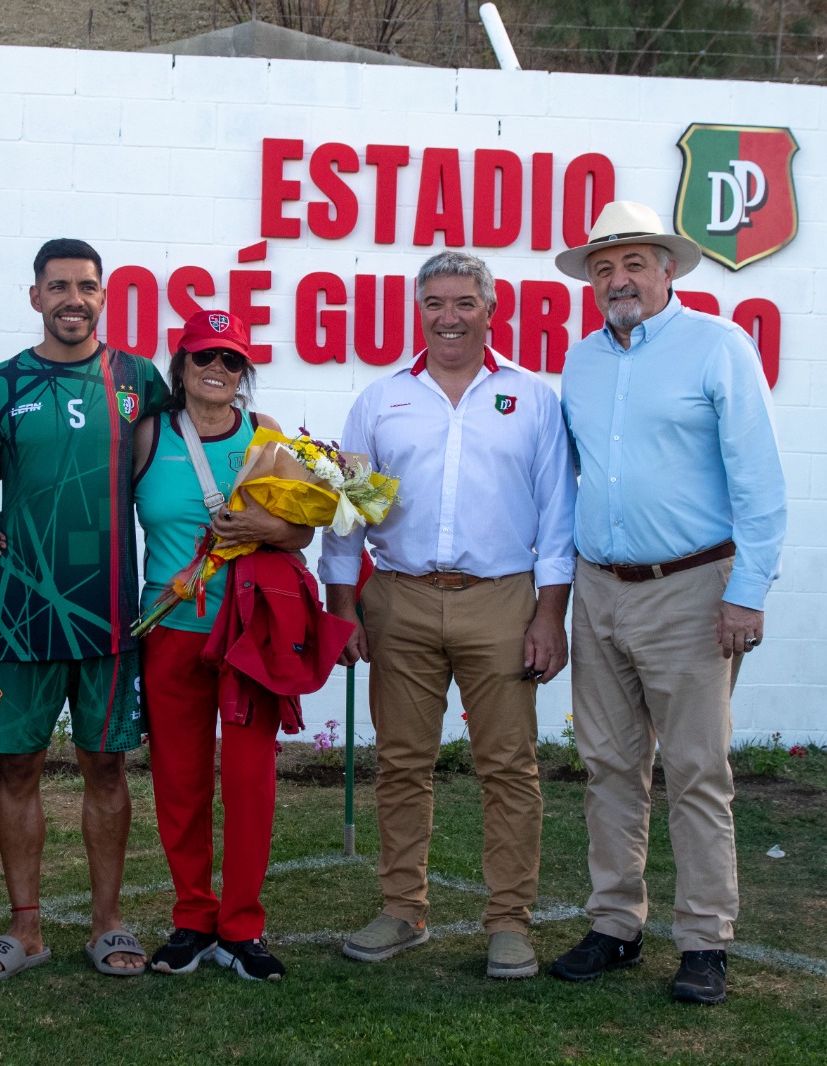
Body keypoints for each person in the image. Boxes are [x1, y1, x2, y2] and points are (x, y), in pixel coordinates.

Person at [550, 200, 786, 1006]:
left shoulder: (719, 346)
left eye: (633, 264)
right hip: (599, 588)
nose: (618, 280)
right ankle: (615, 925)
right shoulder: (580, 362)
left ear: (668, 270)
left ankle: (704, 940)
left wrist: (747, 592)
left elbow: (760, 480)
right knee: (608, 765)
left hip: (692, 589)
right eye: (604, 268)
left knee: (695, 769)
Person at [320, 250, 577, 980]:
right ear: (419, 310)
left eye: (464, 302)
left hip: (501, 600)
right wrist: (343, 607)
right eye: (434, 303)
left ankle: (510, 922)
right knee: (402, 763)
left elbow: (559, 517)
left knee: (509, 768)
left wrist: (549, 617)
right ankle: (403, 909)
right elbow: (347, 511)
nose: (449, 317)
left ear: (491, 310)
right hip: (398, 597)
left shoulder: (532, 399)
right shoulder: (381, 400)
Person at [0, 238, 170, 981]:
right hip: (22, 609)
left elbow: (172, 466)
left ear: (104, 296)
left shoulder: (140, 379)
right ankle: (26, 929)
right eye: (58, 287)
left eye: (86, 286)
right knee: (17, 766)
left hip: (109, 611)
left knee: (106, 766)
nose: (72, 299)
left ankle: (108, 923)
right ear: (35, 297)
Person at [134, 309, 313, 981]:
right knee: (179, 783)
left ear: (244, 373)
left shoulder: (266, 435)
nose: (216, 369)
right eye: (204, 356)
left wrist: (263, 528)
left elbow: (301, 532)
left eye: (231, 359)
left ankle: (241, 927)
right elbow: (100, 509)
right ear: (180, 365)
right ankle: (192, 917)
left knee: (249, 783)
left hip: (247, 634)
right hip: (171, 633)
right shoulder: (148, 434)